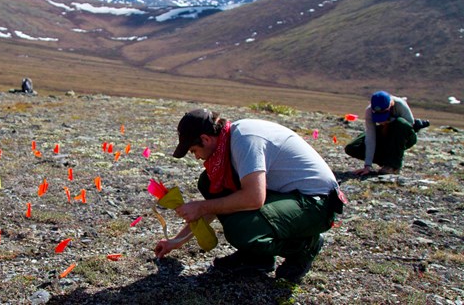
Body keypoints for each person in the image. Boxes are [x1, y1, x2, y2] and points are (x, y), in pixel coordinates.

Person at [154, 109, 346, 283]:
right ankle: (256, 258)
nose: (196, 157)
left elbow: (253, 198)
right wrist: (175, 241)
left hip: (317, 204)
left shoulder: (245, 140)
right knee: (209, 182)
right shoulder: (228, 142)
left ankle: (306, 245)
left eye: (194, 150)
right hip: (291, 196)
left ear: (205, 139)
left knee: (241, 228)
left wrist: (202, 206)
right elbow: (215, 206)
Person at [344, 90, 429, 175]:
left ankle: (393, 166)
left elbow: (409, 125)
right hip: (384, 135)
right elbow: (370, 137)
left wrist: (391, 121)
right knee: (352, 147)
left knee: (400, 123)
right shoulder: (369, 111)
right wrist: (367, 165)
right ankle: (386, 161)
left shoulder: (399, 104)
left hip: (403, 137)